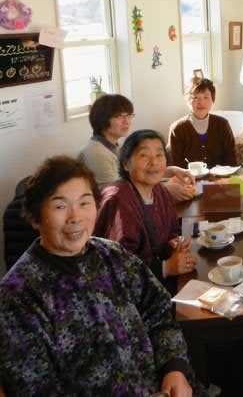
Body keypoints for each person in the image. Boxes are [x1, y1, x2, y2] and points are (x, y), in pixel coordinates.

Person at [0, 155, 206, 397]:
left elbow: (159, 314)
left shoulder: (112, 255)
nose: (75, 217)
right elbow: (36, 387)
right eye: (60, 206)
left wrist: (175, 368)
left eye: (85, 203)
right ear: (35, 218)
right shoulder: (18, 295)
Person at [94, 129, 197, 295]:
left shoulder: (161, 192)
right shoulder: (118, 201)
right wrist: (165, 268)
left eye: (159, 155)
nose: (154, 162)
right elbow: (116, 268)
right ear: (126, 164)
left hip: (159, 284)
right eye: (144, 155)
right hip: (130, 300)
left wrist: (174, 242)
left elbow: (172, 231)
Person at [79, 93, 195, 201]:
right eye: (119, 116)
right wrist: (164, 190)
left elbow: (135, 175)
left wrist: (171, 171)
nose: (126, 121)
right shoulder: (96, 153)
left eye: (128, 115)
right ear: (101, 119)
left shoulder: (113, 145)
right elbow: (119, 194)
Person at [167, 77, 237, 168]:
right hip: (188, 180)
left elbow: (231, 160)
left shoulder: (222, 125)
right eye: (195, 97)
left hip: (221, 179)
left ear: (212, 99)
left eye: (206, 97)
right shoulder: (177, 129)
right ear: (188, 100)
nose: (201, 102)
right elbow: (176, 165)